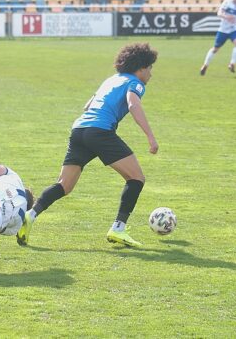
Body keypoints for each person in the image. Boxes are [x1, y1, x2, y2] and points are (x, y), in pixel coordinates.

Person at [17, 43, 158, 248]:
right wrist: (150, 137)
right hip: (100, 132)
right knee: (136, 178)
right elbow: (133, 104)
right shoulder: (135, 83)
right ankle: (118, 228)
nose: (151, 73)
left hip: (79, 130)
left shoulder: (111, 80)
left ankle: (30, 215)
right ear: (141, 68)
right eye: (150, 68)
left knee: (64, 185)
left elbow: (88, 106)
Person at [200, 0, 236, 75]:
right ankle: (205, 65)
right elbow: (219, 13)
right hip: (223, 30)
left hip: (234, 29)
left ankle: (232, 64)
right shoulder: (227, 2)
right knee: (215, 49)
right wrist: (226, 17)